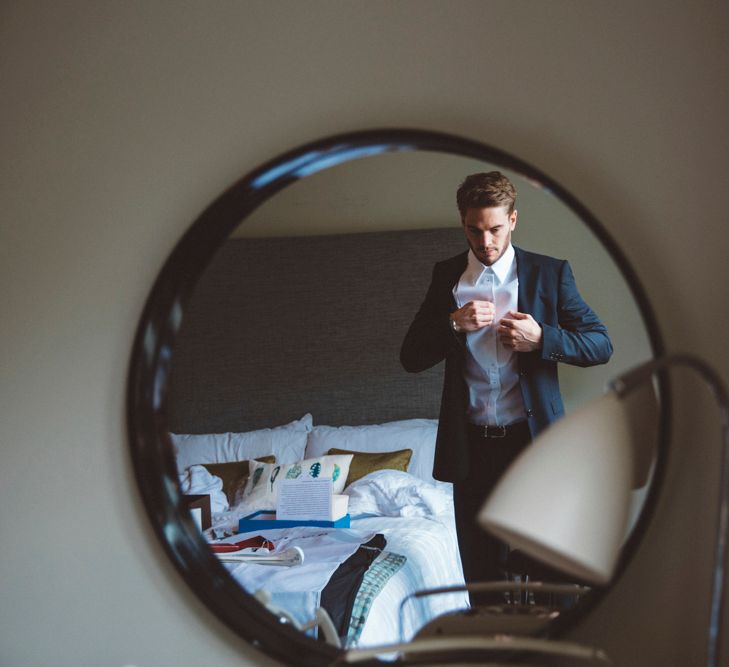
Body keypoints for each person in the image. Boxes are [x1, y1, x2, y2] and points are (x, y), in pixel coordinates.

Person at [400, 171, 613, 584]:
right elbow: (411, 357)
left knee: (551, 571)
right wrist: (453, 325)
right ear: (463, 223)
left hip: (533, 445)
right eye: (474, 230)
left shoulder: (550, 274)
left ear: (513, 220)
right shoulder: (446, 277)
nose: (485, 242)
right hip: (472, 450)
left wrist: (542, 338)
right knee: (483, 576)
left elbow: (600, 344)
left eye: (495, 229)